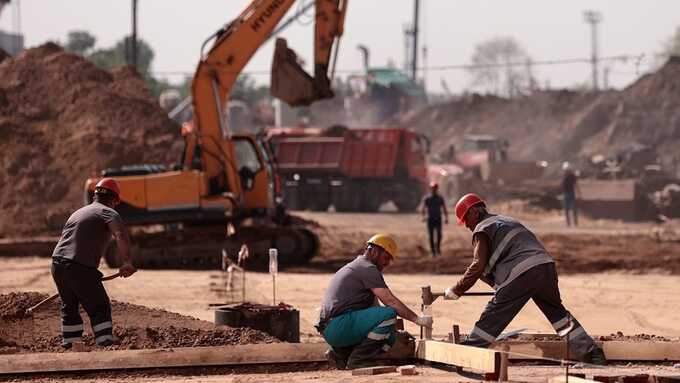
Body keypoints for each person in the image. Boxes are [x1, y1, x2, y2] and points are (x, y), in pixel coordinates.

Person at [443, 193, 606, 365]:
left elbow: (478, 265)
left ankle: (467, 353)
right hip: (546, 267)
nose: (467, 226)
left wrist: (456, 289)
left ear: (474, 212)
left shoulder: (482, 228)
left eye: (466, 220)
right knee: (558, 315)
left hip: (521, 272)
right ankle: (592, 354)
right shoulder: (507, 221)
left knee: (494, 315)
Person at [316, 234, 433, 370]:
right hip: (338, 326)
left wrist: (393, 333)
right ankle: (358, 360)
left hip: (332, 328)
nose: (387, 263)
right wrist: (418, 319)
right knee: (389, 314)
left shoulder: (357, 266)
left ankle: (341, 355)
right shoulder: (367, 268)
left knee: (389, 332)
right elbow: (390, 301)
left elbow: (375, 309)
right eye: (386, 257)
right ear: (374, 251)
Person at [51, 178, 136, 348]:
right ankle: (105, 341)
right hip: (79, 266)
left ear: (95, 195)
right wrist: (127, 262)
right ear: (115, 200)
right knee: (99, 306)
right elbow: (120, 235)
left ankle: (71, 343)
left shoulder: (78, 212)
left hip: (57, 264)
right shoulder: (108, 212)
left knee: (69, 305)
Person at [421, 181, 449, 256]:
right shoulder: (427, 199)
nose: (434, 190)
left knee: (439, 234)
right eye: (433, 188)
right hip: (430, 219)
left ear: (437, 189)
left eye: (435, 188)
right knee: (431, 236)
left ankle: (438, 248)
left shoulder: (440, 198)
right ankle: (433, 251)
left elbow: (444, 208)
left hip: (438, 218)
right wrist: (423, 217)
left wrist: (446, 218)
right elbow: (423, 209)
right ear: (431, 189)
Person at [562, 161, 580, 227]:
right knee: (566, 209)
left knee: (574, 209)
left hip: (571, 194)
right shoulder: (564, 176)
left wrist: (578, 193)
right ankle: (568, 223)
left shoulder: (572, 176)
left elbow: (576, 185)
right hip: (566, 194)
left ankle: (575, 223)